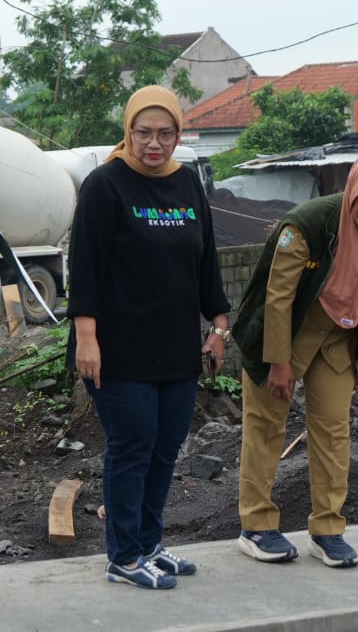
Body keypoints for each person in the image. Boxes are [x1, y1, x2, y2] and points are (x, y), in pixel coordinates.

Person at [68, 85, 230, 591]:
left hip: (177, 348)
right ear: (129, 131)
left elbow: (207, 265)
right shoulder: (105, 186)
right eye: (143, 133)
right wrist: (86, 339)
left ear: (179, 135)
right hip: (118, 350)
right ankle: (123, 555)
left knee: (165, 449)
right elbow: (85, 269)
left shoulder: (187, 186)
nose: (153, 143)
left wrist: (220, 326)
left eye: (165, 134)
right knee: (131, 446)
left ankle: (150, 544)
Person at [232, 148, 358, 568]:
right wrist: (279, 362)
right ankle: (256, 526)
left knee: (333, 431)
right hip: (285, 331)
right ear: (352, 189)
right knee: (266, 426)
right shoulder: (308, 224)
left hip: (339, 337)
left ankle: (328, 529)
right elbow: (279, 297)